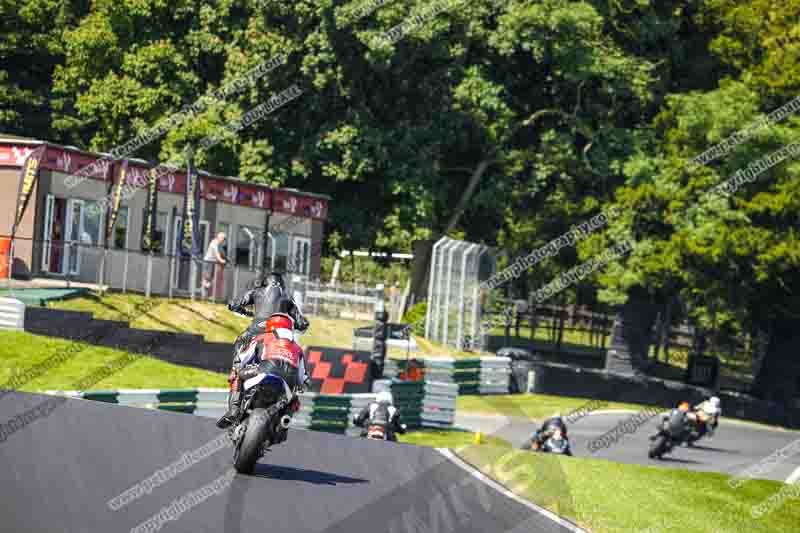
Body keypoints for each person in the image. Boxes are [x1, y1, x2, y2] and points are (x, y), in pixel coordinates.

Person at [217, 272, 309, 429]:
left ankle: (234, 407)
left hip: (257, 331)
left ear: (265, 282)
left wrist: (242, 310)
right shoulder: (288, 298)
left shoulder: (256, 291)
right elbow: (302, 322)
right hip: (279, 336)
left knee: (239, 360)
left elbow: (236, 304)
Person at [203, 232, 227, 298]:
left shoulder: (220, 244)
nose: (224, 240)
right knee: (207, 279)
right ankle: (204, 295)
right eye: (223, 238)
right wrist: (222, 260)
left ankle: (207, 295)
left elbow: (222, 252)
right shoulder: (214, 243)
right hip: (209, 262)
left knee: (211, 280)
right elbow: (217, 254)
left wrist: (227, 259)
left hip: (213, 263)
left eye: (224, 239)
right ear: (219, 238)